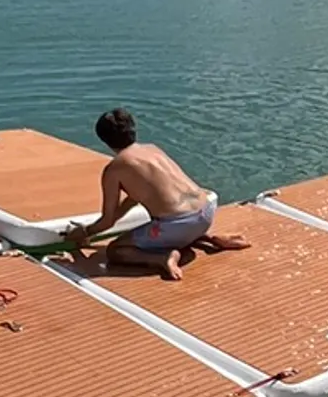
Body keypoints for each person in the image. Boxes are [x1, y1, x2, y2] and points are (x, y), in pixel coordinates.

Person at [61, 108, 237, 281]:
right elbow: (132, 200)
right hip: (205, 212)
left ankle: (162, 258)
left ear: (104, 140)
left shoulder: (114, 169)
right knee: (177, 221)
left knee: (116, 250)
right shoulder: (153, 149)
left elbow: (107, 221)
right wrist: (101, 226)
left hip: (179, 225)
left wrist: (84, 232)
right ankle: (209, 239)